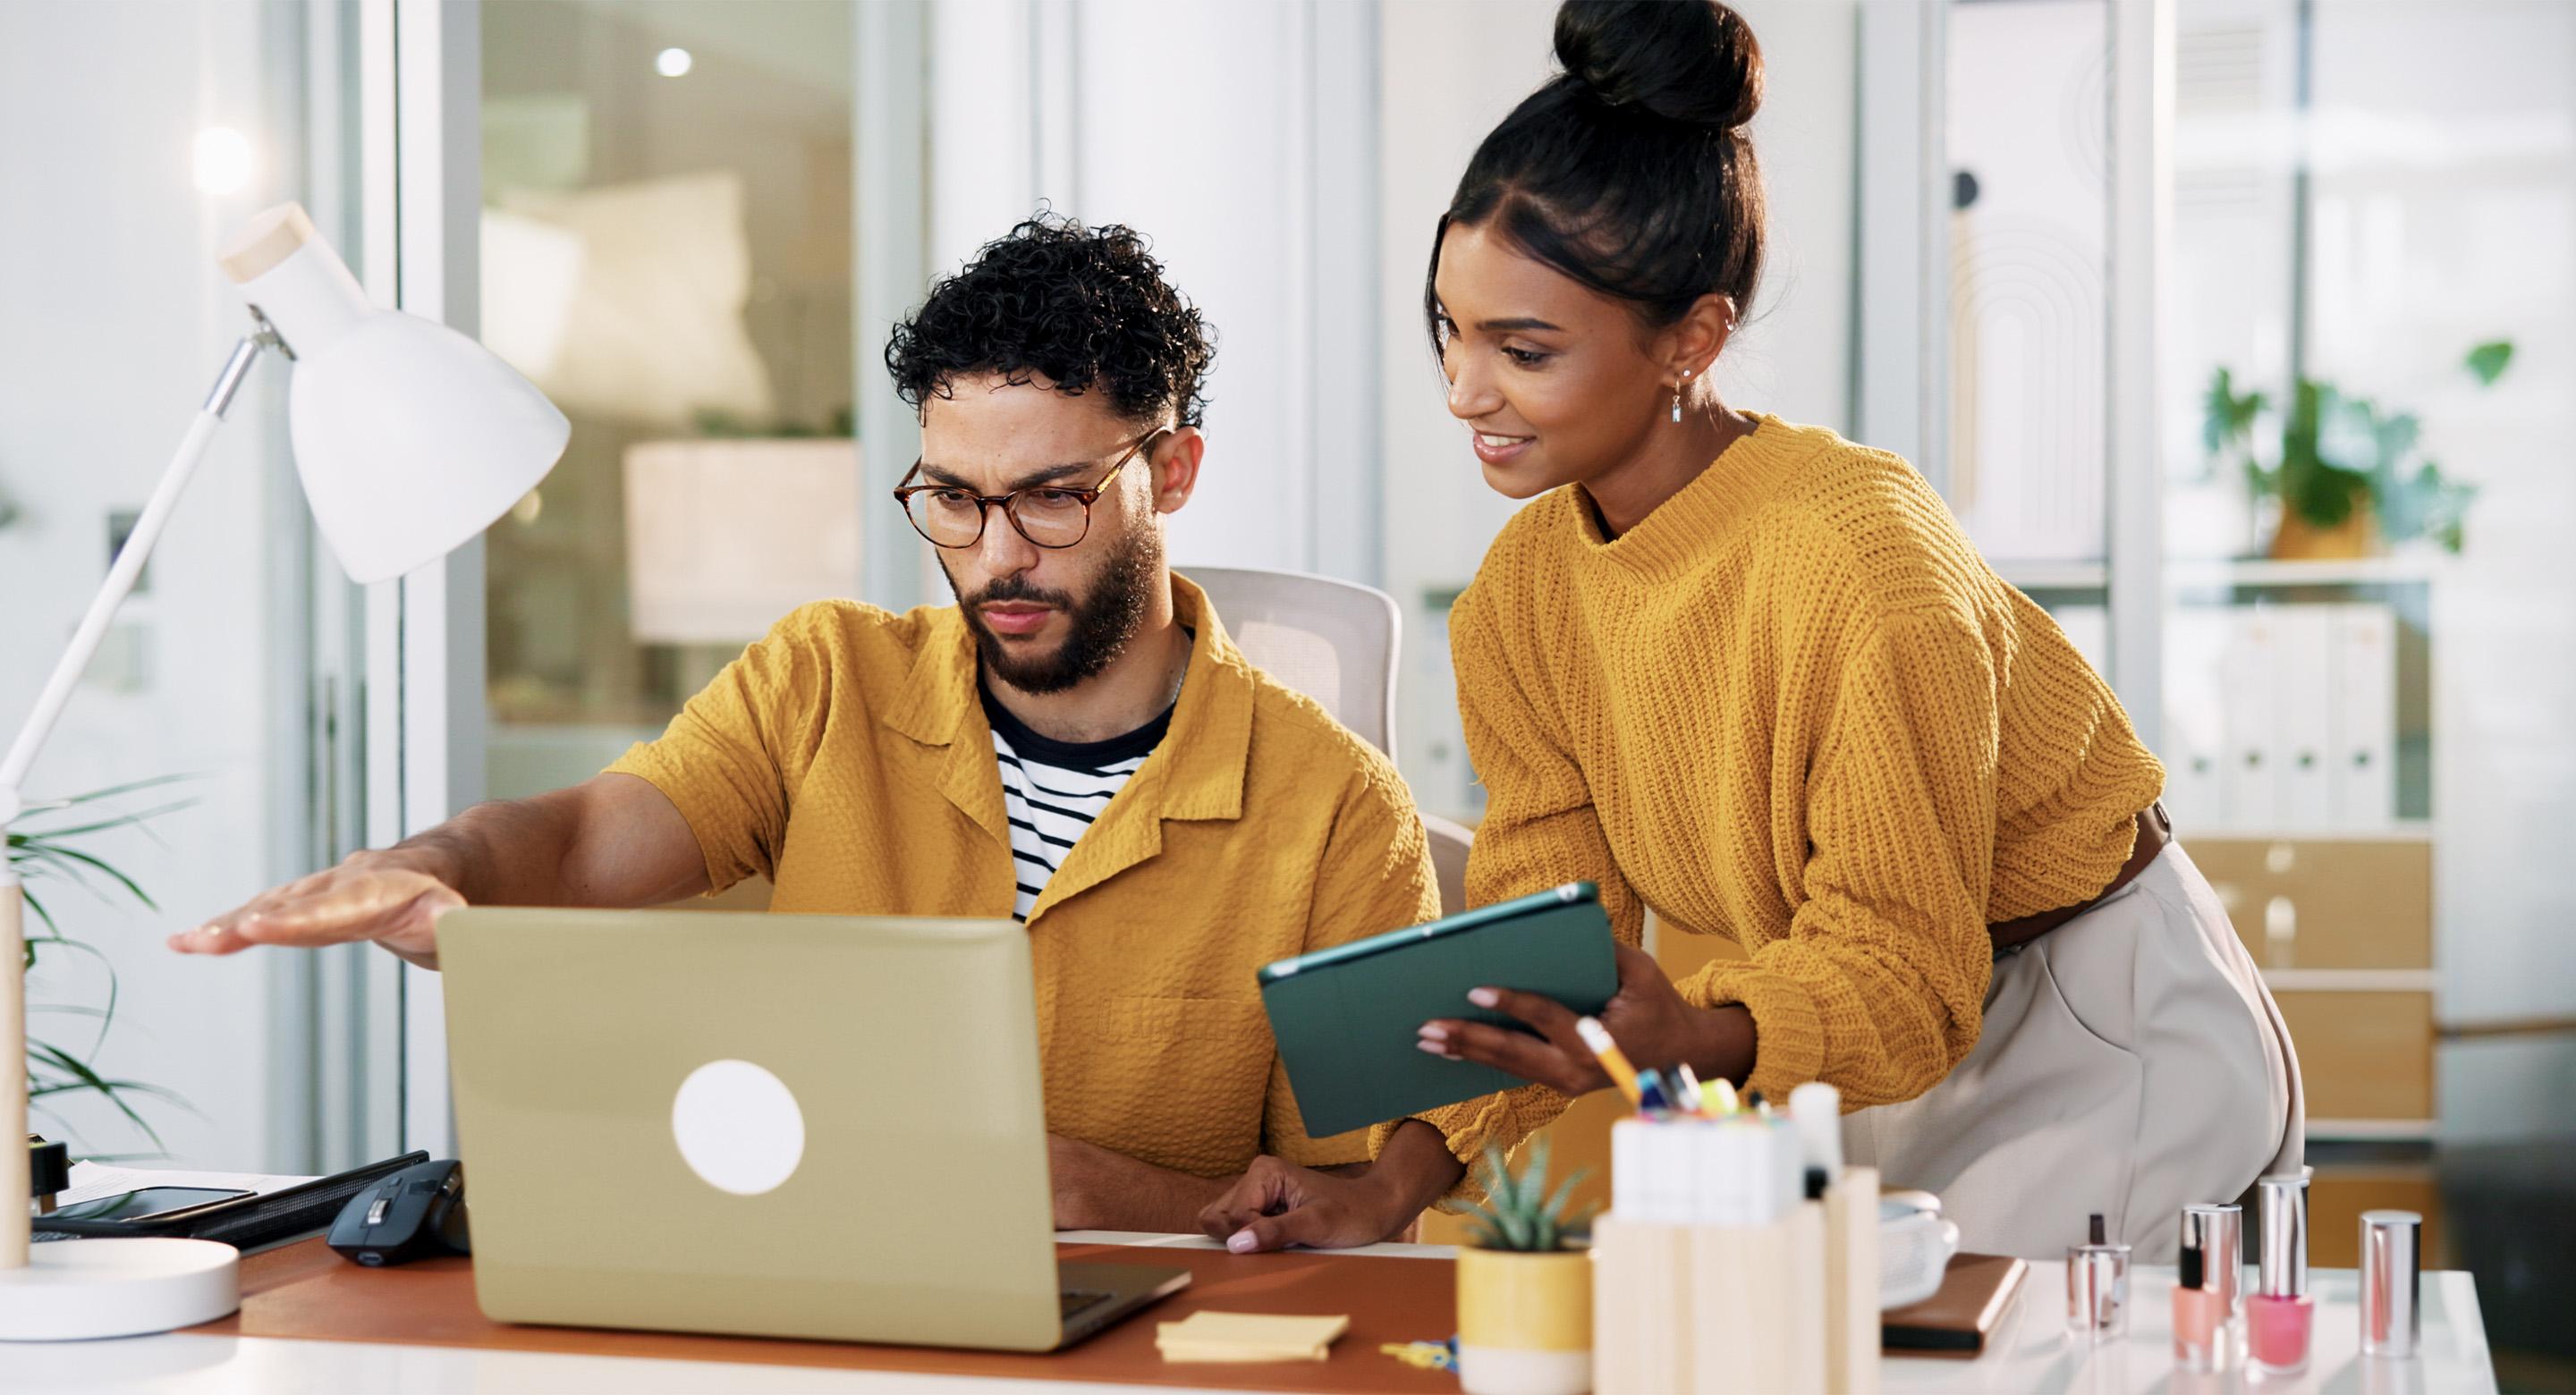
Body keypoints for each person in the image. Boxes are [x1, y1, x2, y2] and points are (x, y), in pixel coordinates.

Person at [1203, 0, 2301, 1263]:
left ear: (1694, 338)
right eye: (1450, 328)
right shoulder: (1520, 601)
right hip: (1857, 1046)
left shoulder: (1861, 559)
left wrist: (1691, 1033)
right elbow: (1537, 968)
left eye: (1525, 348)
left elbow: (1907, 972)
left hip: (2094, 1017)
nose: (1464, 391)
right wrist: (1382, 1191)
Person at [171, 215, 1445, 1242]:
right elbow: (571, 846)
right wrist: (440, 870)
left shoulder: (1334, 805)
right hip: (813, 1301)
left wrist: (1121, 1201)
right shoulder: (825, 680)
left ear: (1172, 474)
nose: (996, 558)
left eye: (1052, 498)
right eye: (953, 499)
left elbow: (1349, 1208)